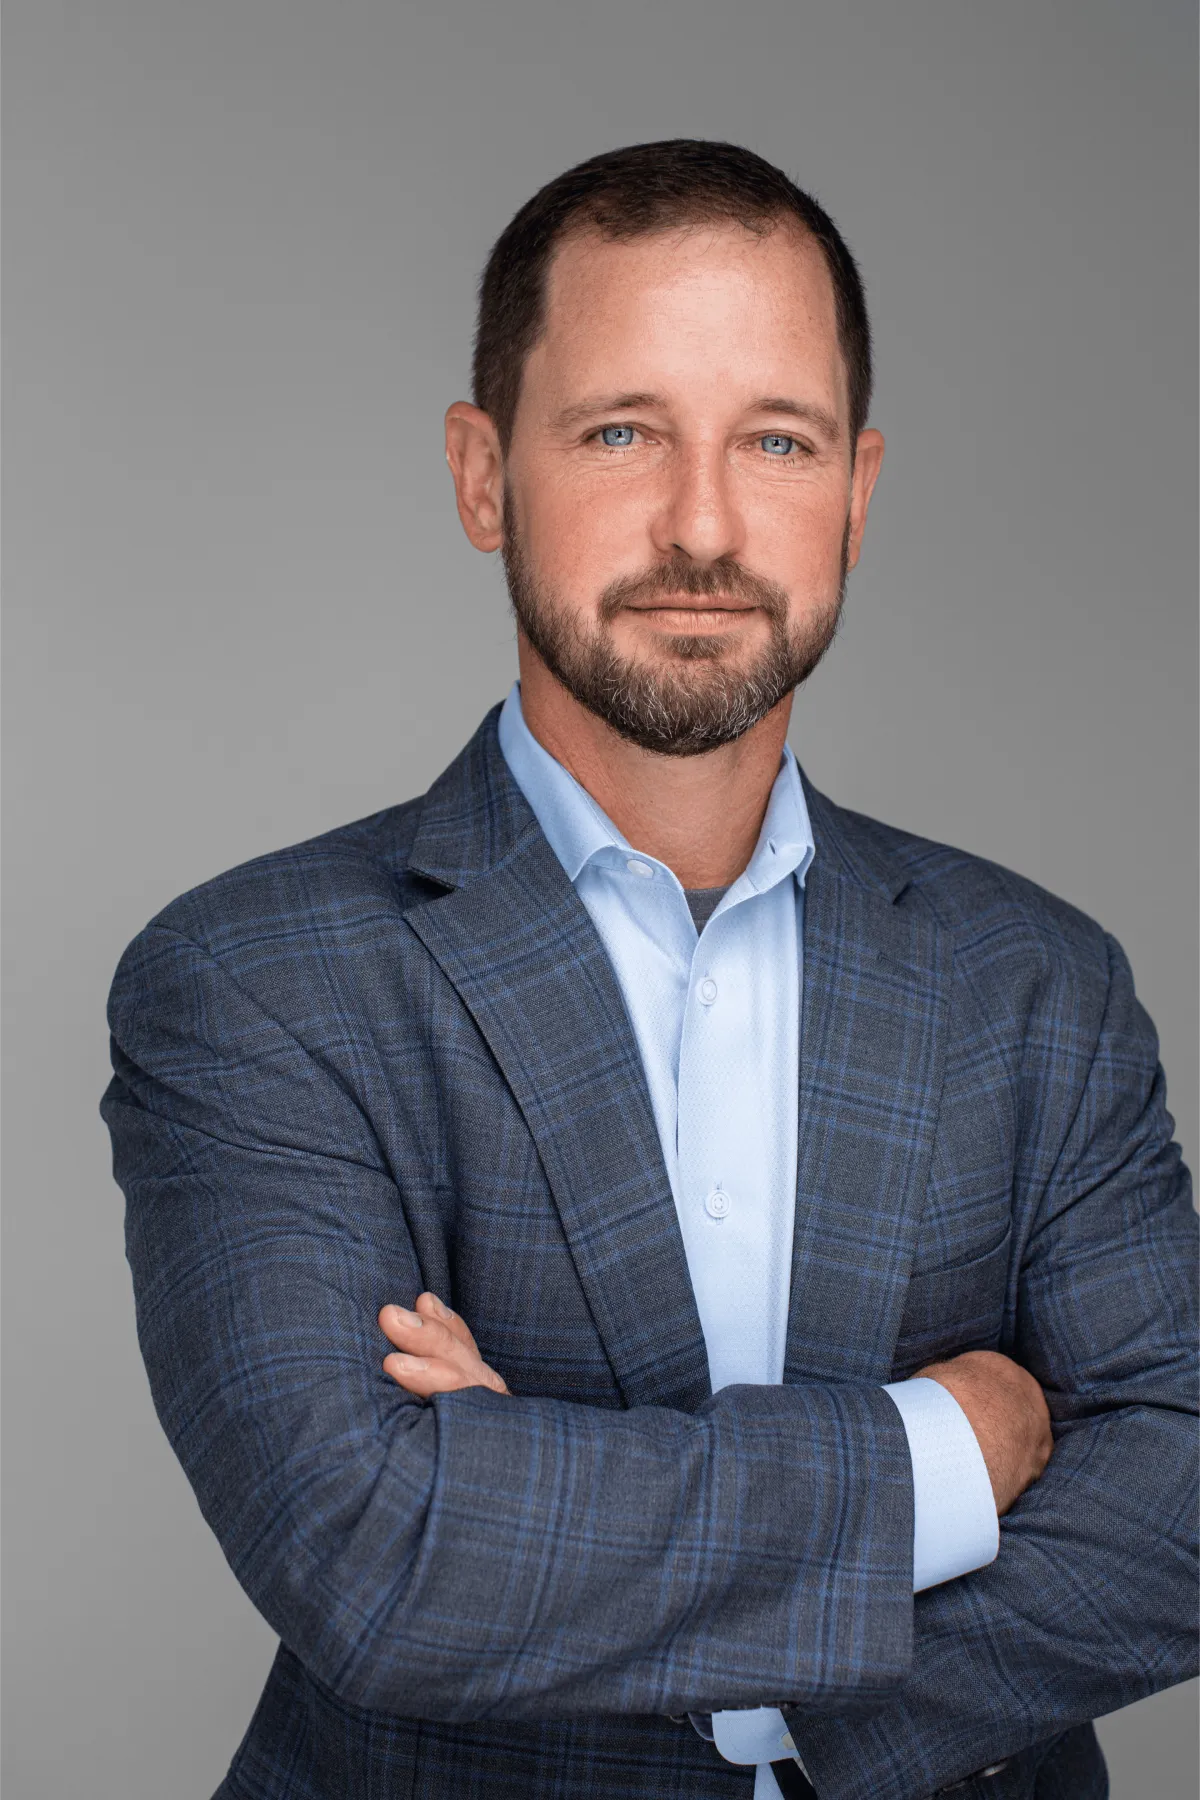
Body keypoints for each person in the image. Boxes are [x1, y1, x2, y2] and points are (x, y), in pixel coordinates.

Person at [102, 140, 1196, 1800]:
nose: (703, 524)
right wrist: (951, 1451)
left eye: (777, 440)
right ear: (484, 476)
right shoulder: (258, 980)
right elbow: (379, 1556)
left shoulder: (1039, 984)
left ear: (857, 491)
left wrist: (548, 1511)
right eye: (621, 432)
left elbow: (1180, 1503)